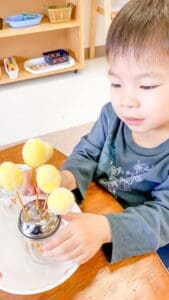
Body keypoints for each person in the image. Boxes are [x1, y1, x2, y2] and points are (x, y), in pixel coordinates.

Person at [22, 0, 169, 267]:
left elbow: (163, 218)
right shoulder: (112, 116)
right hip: (96, 212)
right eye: (116, 83)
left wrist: (105, 229)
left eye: (146, 86)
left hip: (144, 242)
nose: (126, 100)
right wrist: (65, 179)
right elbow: (87, 152)